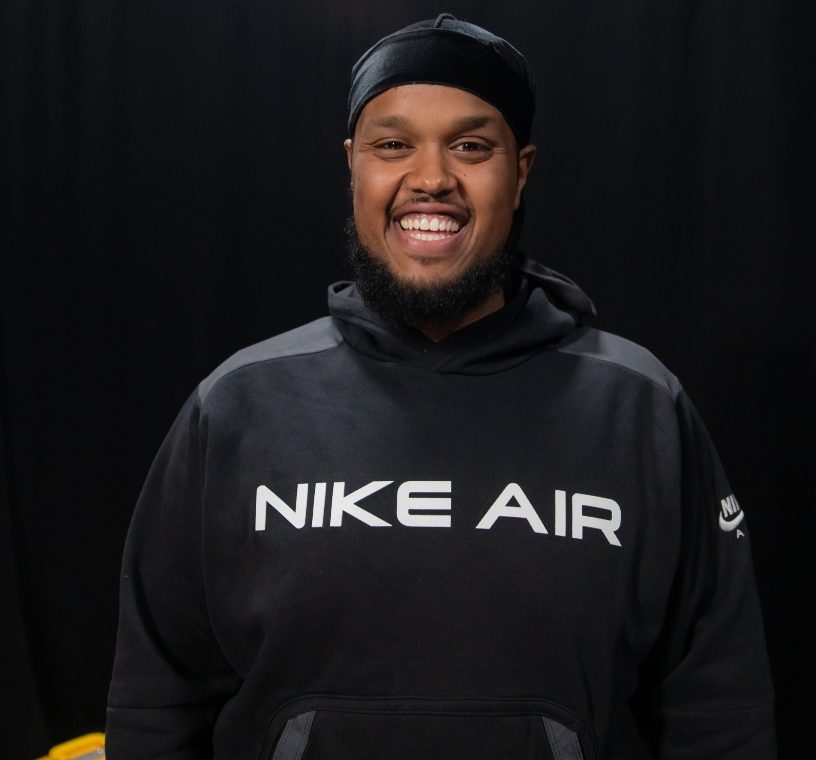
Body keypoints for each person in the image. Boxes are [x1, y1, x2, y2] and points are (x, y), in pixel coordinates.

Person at [106, 14, 776, 759]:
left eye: (470, 147)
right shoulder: (238, 404)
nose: (431, 179)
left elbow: (720, 711)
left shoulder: (639, 406)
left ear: (520, 173)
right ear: (353, 165)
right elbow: (154, 704)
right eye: (393, 145)